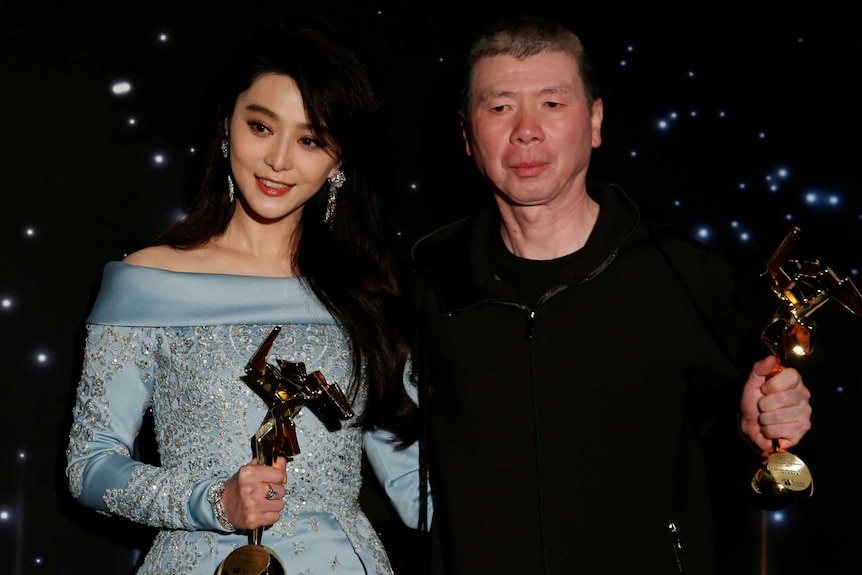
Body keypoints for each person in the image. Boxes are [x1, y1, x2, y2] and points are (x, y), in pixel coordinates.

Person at [407, 15, 813, 574]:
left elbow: (741, 467)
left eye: (552, 104)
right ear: (467, 135)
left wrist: (755, 432)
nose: (526, 129)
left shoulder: (681, 273)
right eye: (499, 107)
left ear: (595, 120)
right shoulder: (428, 279)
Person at [65, 22, 423, 575]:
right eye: (261, 126)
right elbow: (89, 467)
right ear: (227, 125)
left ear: (340, 161)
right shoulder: (148, 281)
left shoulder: (367, 294)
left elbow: (413, 486)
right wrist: (212, 501)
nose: (279, 159)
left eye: (310, 139)